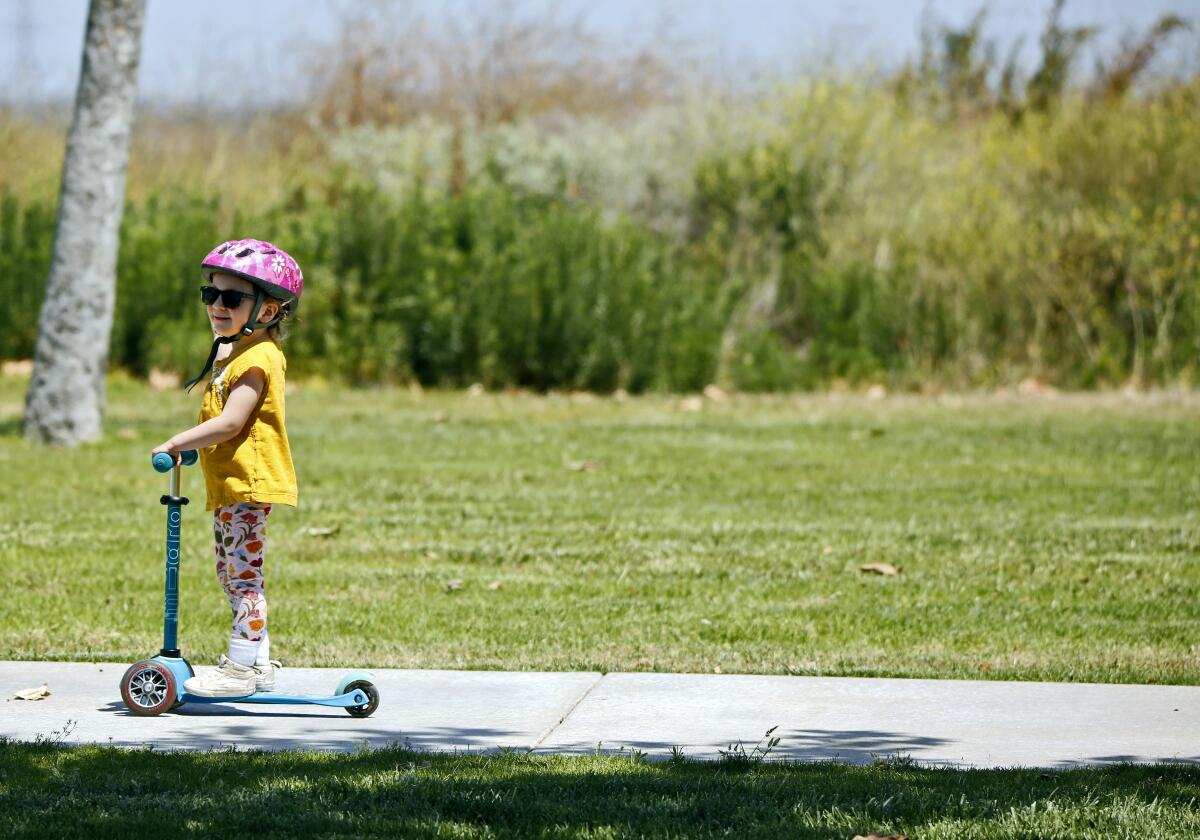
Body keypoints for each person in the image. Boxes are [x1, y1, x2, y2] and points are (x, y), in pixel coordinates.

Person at [151, 239, 302, 697]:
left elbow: (232, 421)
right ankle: (258, 664)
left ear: (269, 312)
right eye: (211, 295)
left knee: (243, 577)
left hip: (248, 485)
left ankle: (240, 669)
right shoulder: (238, 352)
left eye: (233, 298)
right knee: (233, 573)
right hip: (232, 486)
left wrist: (177, 442)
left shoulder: (257, 359)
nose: (218, 305)